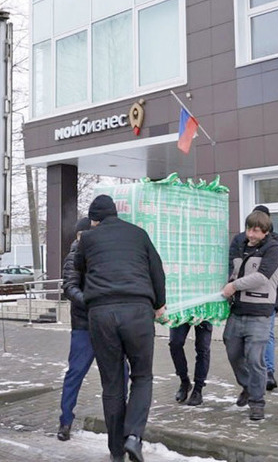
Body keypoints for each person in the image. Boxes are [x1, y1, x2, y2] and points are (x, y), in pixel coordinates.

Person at [74, 195, 166, 462]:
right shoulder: (139, 234)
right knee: (142, 376)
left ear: (93, 219)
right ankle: (134, 437)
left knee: (112, 383)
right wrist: (159, 304)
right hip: (138, 311)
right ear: (115, 213)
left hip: (101, 314)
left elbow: (79, 273)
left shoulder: (88, 239)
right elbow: (156, 270)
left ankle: (116, 452)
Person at [222, 209, 278, 421]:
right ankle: (248, 386)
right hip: (237, 311)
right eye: (249, 229)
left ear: (265, 232)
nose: (252, 234)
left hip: (260, 313)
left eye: (256, 231)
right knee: (233, 353)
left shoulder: (274, 248)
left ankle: (257, 402)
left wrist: (233, 286)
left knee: (255, 359)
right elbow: (232, 269)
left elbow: (262, 276)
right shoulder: (241, 245)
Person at [229, 205, 278, 391]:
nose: (253, 232)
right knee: (239, 342)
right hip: (241, 300)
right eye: (252, 227)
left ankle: (268, 373)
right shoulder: (240, 240)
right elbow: (231, 265)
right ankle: (255, 376)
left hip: (267, 298)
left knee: (267, 335)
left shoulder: (276, 242)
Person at [57, 217, 96, 441]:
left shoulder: (99, 255)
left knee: (120, 372)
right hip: (83, 326)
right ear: (79, 235)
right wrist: (91, 302)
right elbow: (69, 287)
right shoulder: (74, 256)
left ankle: (123, 422)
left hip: (104, 325)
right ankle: (65, 421)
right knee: (75, 373)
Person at [169, 319, 212, 406]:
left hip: (204, 310)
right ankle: (184, 381)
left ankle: (198, 389)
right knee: (175, 343)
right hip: (181, 308)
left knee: (203, 348)